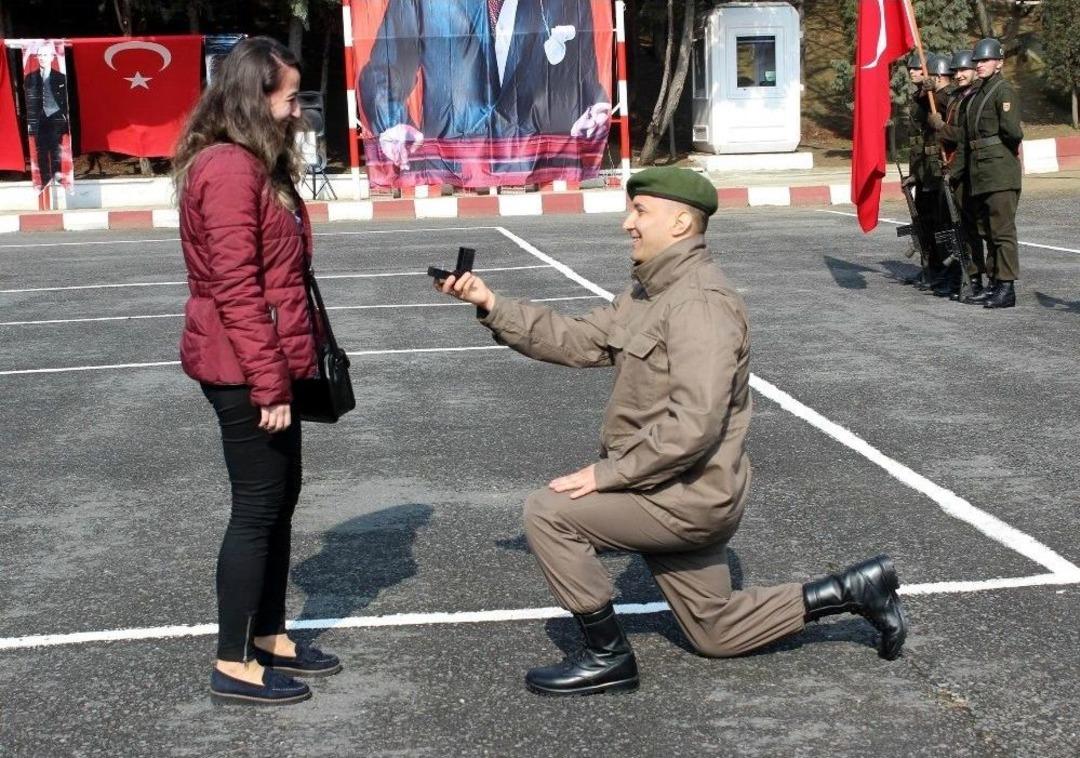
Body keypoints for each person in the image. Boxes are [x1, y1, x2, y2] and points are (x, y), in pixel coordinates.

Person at [434, 167, 908, 696]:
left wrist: (608, 475)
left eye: (640, 212)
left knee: (549, 512)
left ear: (681, 222)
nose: (626, 223)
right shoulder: (651, 293)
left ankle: (607, 656)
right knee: (716, 632)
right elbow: (578, 340)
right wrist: (491, 304)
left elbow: (694, 425)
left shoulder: (699, 304)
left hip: (684, 496)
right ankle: (855, 589)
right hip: (676, 488)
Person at [173, 36, 341, 706]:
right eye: (288, 96)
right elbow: (236, 288)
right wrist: (270, 383)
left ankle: (268, 636)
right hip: (244, 370)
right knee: (256, 509)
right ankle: (234, 661)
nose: (297, 110)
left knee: (280, 500)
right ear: (253, 96)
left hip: (269, 362)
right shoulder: (227, 169)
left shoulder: (253, 163)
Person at [359, 0, 610, 171]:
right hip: (453, 163)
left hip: (536, 162)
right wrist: (391, 122)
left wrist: (595, 105)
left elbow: (581, 69)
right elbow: (385, 70)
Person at [956, 37, 1023, 309]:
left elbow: (1012, 132)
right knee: (987, 230)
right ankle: (995, 283)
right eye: (978, 61)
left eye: (985, 60)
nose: (980, 65)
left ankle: (1006, 287)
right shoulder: (977, 94)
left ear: (999, 63)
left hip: (999, 171)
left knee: (1002, 231)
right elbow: (966, 137)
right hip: (980, 173)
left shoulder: (1003, 91)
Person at [929, 49, 986, 303]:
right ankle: (961, 276)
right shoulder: (957, 97)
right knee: (954, 227)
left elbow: (963, 135)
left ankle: (973, 277)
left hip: (963, 170)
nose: (959, 75)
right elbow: (935, 100)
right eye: (955, 71)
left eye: (963, 70)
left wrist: (941, 128)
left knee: (969, 228)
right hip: (951, 167)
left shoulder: (972, 97)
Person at [23, 42, 68, 185]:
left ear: (52, 58)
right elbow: (28, 101)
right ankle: (44, 179)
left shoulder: (61, 77)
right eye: (39, 55)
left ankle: (56, 174)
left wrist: (65, 119)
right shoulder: (30, 77)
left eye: (45, 55)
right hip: (39, 118)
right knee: (41, 150)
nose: (42, 58)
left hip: (55, 116)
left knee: (56, 148)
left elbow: (65, 100)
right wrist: (30, 122)